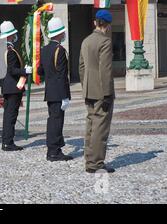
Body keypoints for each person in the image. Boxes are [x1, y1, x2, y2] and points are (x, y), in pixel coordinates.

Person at [79, 9, 115, 173]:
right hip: (101, 90)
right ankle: (96, 164)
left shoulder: (86, 41)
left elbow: (81, 67)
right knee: (100, 127)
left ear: (95, 23)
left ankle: (89, 160)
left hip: (88, 89)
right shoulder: (105, 41)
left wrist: (85, 85)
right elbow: (105, 69)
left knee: (91, 125)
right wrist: (107, 93)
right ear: (107, 26)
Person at [38, 17, 73, 161]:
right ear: (59, 34)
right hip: (58, 92)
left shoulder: (44, 49)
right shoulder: (60, 50)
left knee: (52, 120)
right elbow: (62, 75)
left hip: (50, 91)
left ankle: (52, 149)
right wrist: (65, 95)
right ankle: (54, 151)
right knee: (57, 122)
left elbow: (41, 71)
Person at [0, 21, 31, 151]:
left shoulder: (6, 49)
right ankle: (8, 142)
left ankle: (6, 141)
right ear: (10, 35)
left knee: (8, 115)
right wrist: (25, 71)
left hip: (8, 87)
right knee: (11, 116)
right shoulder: (11, 51)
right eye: (13, 34)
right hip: (13, 87)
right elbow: (12, 70)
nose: (15, 36)